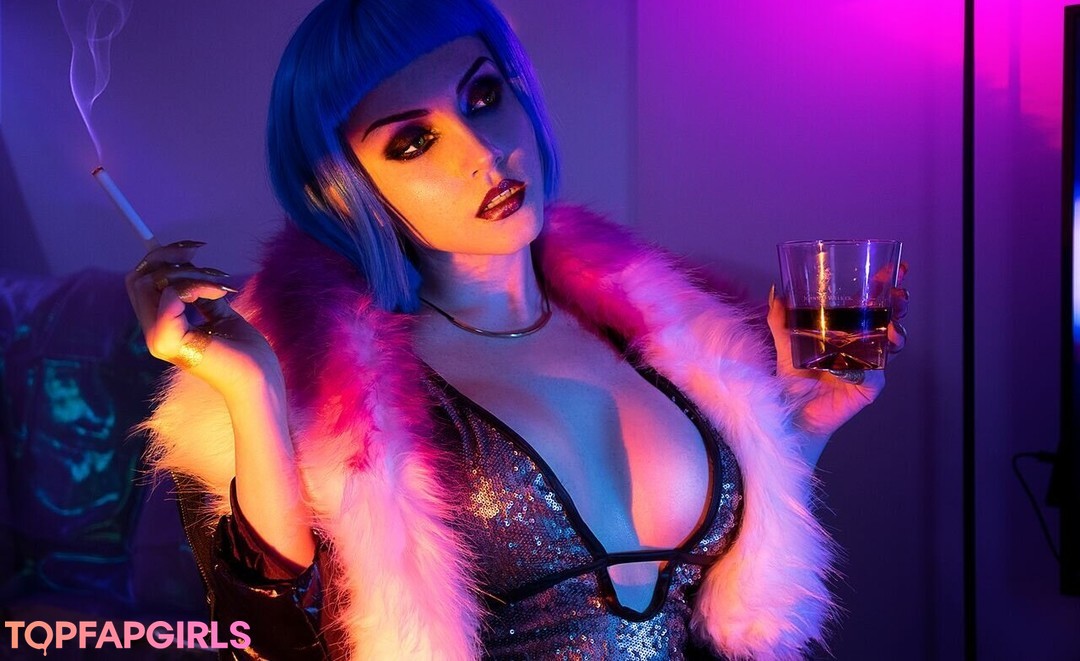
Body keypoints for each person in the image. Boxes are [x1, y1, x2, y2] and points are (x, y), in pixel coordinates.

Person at [125, 0, 908, 658]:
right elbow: (277, 643)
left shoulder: (662, 341)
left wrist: (797, 429)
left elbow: (730, 612)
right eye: (413, 141)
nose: (483, 151)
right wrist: (251, 391)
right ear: (347, 188)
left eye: (483, 94)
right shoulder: (338, 409)